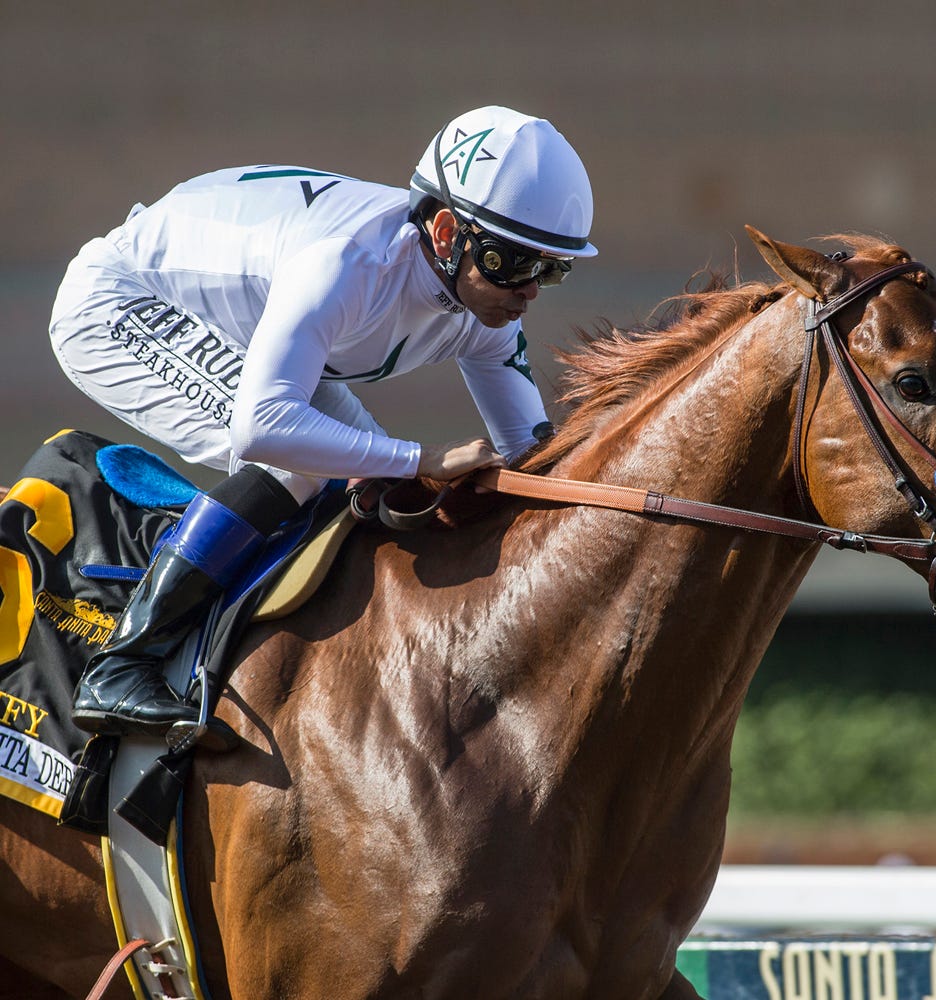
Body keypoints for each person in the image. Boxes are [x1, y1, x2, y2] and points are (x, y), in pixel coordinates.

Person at [48, 105, 597, 737]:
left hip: (247, 314)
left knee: (370, 479)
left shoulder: (485, 310)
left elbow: (533, 458)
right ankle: (121, 665)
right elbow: (263, 428)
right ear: (446, 232)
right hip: (121, 296)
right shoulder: (348, 267)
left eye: (551, 269)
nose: (529, 291)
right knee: (299, 461)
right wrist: (422, 458)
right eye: (514, 263)